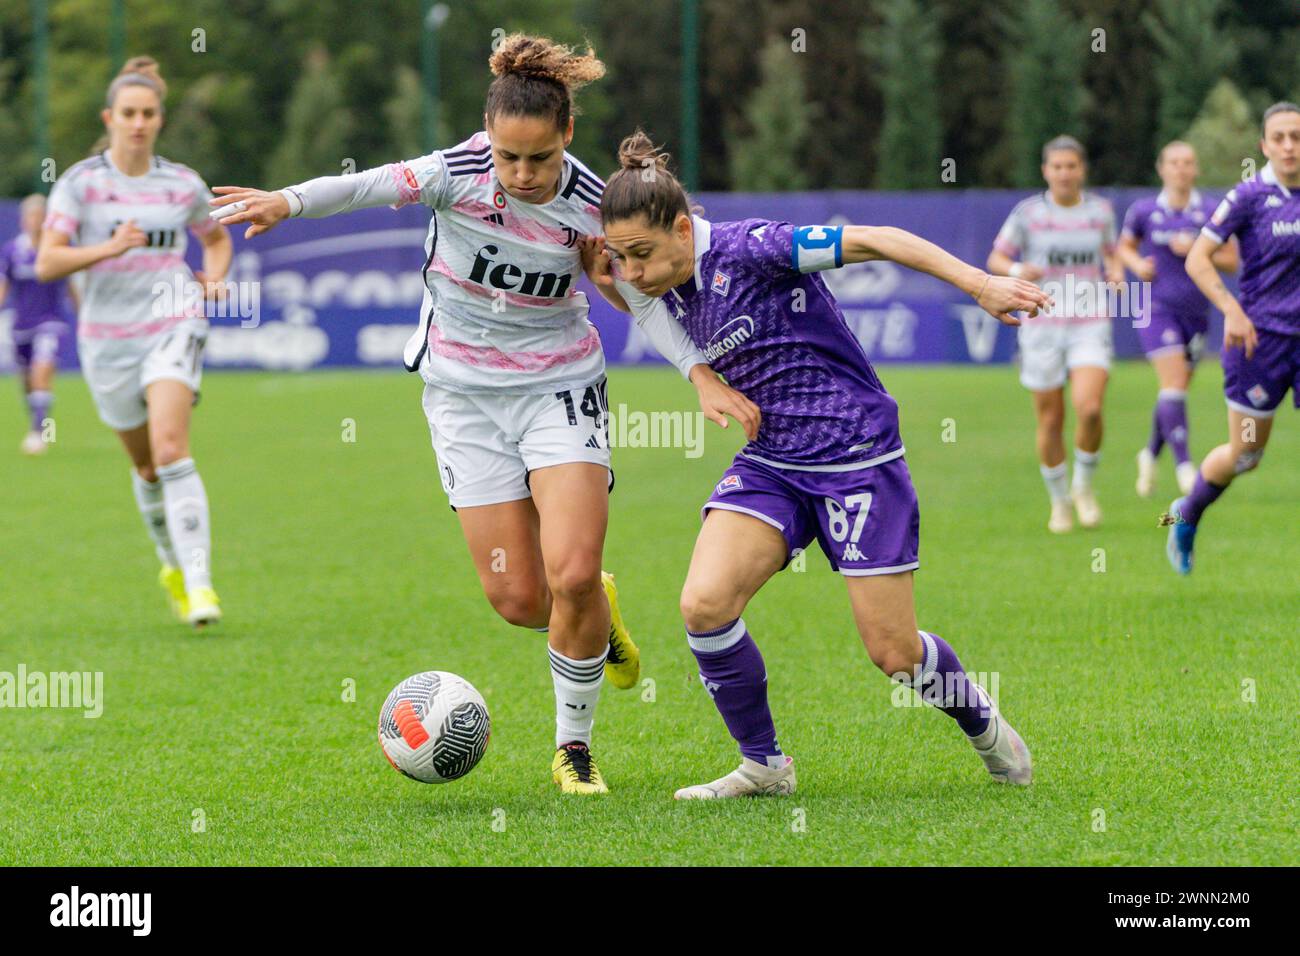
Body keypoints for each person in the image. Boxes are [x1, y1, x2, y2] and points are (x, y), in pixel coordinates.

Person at [209, 36, 757, 794]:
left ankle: (574, 749)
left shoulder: (592, 204)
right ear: (487, 139)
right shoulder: (453, 174)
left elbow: (634, 293)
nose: (522, 174)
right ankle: (601, 616)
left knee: (568, 574)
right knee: (519, 599)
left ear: (566, 135)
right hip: (464, 399)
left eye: (537, 158)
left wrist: (698, 372)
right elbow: (366, 186)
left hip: (559, 389)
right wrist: (287, 201)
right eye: (508, 158)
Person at [593, 131, 1047, 798]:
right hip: (773, 461)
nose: (632, 273)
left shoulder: (754, 249)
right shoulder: (660, 278)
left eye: (642, 255)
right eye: (621, 256)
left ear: (685, 229)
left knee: (893, 653)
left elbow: (879, 239)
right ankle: (765, 766)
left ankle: (982, 723)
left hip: (855, 454)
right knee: (704, 605)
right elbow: (628, 291)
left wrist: (981, 284)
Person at [36, 56, 231, 626]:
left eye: (148, 113)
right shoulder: (80, 185)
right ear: (110, 117)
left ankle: (201, 587)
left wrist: (215, 280)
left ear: (159, 119)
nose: (139, 123)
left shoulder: (181, 183)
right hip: (105, 342)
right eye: (128, 113)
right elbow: (48, 261)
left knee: (172, 448)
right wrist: (108, 248)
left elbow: (215, 240)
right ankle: (171, 565)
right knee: (147, 467)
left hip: (172, 319)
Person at [1163, 102, 1300, 575]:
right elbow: (1198, 258)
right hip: (1259, 345)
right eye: (1279, 137)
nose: (1288, 146)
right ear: (1264, 145)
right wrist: (1232, 310)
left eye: (1296, 137)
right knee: (1245, 456)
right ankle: (1189, 512)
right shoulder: (1250, 196)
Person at [988, 136, 1122, 533]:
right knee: (1050, 419)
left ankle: (1083, 487)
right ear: (1046, 171)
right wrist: (1015, 272)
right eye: (1057, 166)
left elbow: (1112, 253)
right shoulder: (1028, 214)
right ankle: (1059, 501)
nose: (1065, 173)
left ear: (1083, 170)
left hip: (1089, 320)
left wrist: (1115, 273)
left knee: (1091, 408)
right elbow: (997, 257)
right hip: (1041, 324)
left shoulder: (1100, 212)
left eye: (1072, 166)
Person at [1118, 141, 1238, 499]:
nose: (1181, 169)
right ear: (1161, 168)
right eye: (1174, 162)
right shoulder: (1144, 210)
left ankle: (1149, 454)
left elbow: (1232, 260)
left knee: (1175, 389)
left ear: (1196, 169)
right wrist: (1137, 264)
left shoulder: (1212, 211)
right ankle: (1186, 468)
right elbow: (1123, 246)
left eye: (1188, 163)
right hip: (1155, 307)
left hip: (1197, 313)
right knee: (1172, 383)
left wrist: (1203, 251)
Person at [1, 194, 75, 454]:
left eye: (40, 217)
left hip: (51, 322)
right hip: (21, 325)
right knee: (27, 382)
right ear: (23, 221)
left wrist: (85, 315)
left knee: (41, 372)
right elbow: (3, 287)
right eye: (30, 217)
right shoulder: (12, 251)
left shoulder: (59, 250)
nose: (35, 222)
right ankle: (36, 420)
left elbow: (73, 286)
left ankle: (38, 432)